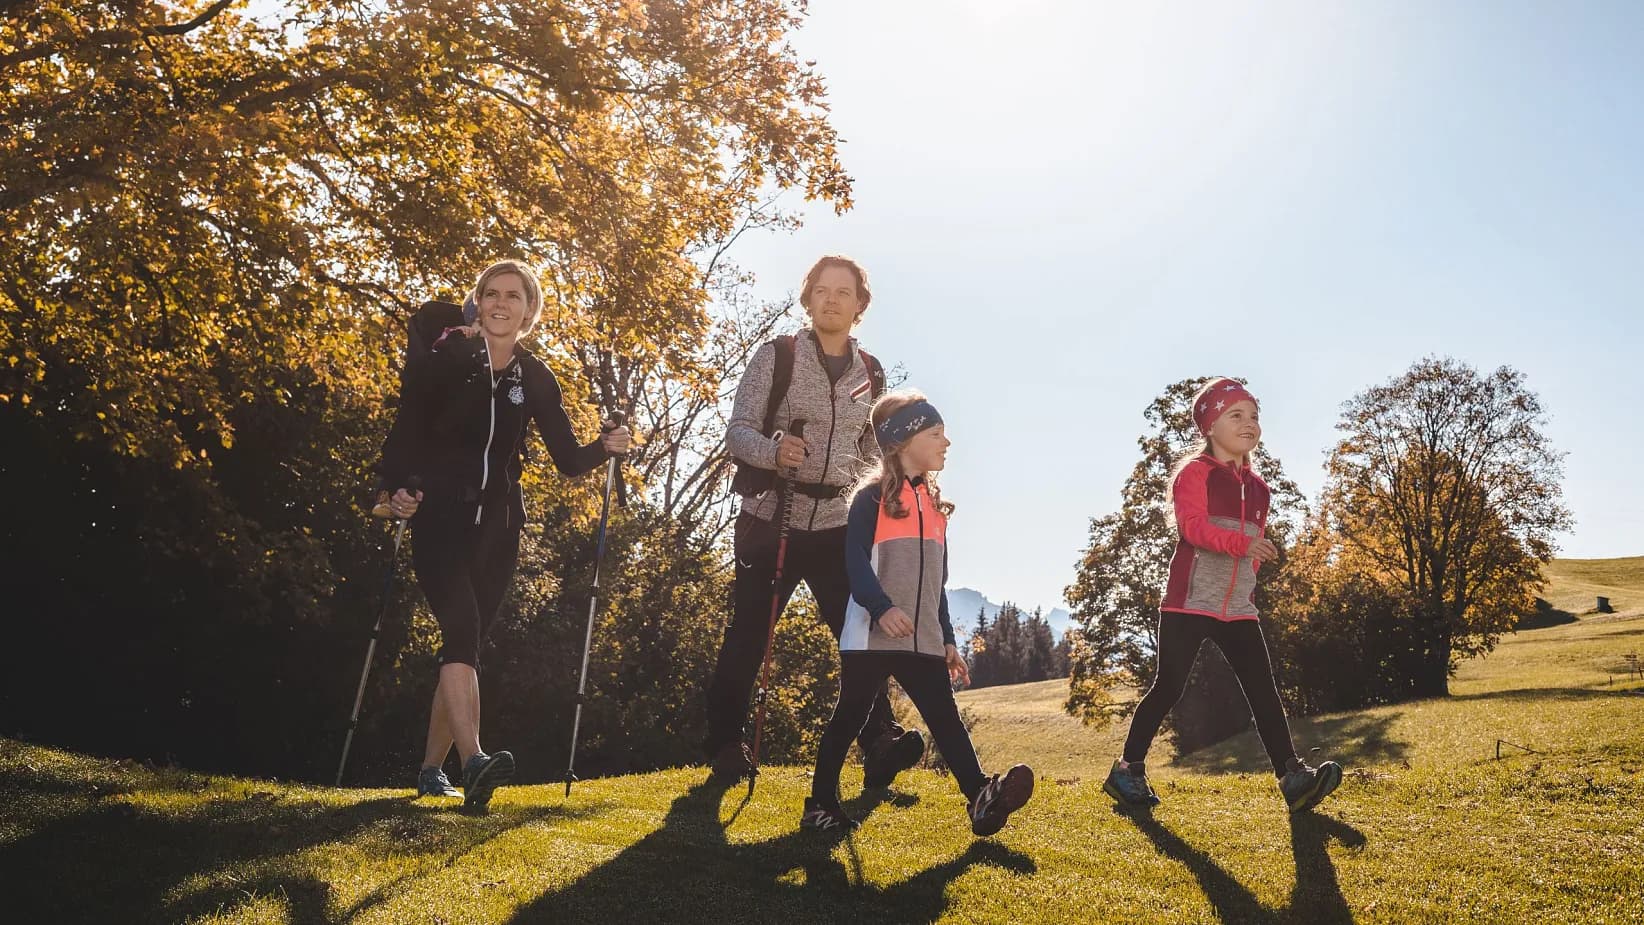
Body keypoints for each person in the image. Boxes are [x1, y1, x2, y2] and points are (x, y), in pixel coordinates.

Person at [376, 259, 630, 812]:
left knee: (464, 646)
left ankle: (430, 771)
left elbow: (568, 460)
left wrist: (605, 447)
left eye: (513, 296)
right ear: (478, 302)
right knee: (462, 630)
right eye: (491, 293)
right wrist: (391, 489)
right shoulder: (448, 359)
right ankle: (474, 763)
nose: (500, 303)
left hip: (500, 528)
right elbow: (407, 427)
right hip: (440, 517)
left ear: (529, 311)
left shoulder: (535, 377)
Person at [703, 255, 926, 786]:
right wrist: (774, 450)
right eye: (822, 290)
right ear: (808, 299)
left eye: (843, 292)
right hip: (769, 518)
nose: (831, 300)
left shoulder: (870, 372)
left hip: (837, 523)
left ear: (859, 305)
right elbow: (738, 431)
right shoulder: (777, 356)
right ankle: (726, 745)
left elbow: (873, 446)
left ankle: (880, 742)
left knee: (860, 631)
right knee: (749, 634)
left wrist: (886, 491)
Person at [1103, 377, 1342, 813]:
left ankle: (1293, 778)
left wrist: (1248, 573)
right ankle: (1127, 770)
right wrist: (1242, 546)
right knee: (1168, 687)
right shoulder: (1195, 474)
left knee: (1263, 690)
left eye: (1254, 415)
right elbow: (1193, 528)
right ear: (1210, 425)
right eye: (1236, 415)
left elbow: (1253, 548)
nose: (1249, 423)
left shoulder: (1261, 489)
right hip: (1190, 602)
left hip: (1238, 608)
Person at [804, 390, 1034, 836]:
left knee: (945, 718)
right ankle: (820, 806)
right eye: (936, 434)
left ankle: (980, 797)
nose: (946, 443)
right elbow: (854, 563)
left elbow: (937, 584)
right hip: (871, 635)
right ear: (904, 440)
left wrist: (946, 637)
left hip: (922, 636)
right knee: (850, 717)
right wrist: (881, 608)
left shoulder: (933, 506)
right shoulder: (870, 499)